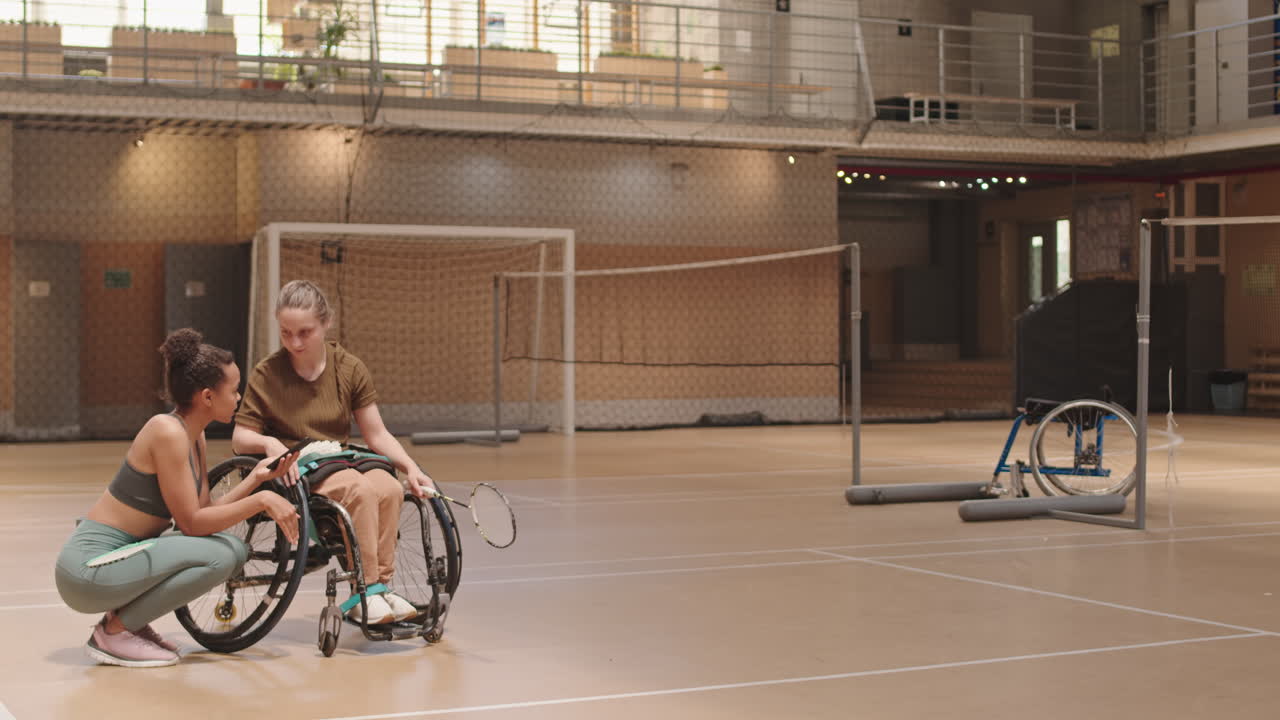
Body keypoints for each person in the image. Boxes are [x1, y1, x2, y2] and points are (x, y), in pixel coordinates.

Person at [55, 329, 302, 668]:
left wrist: (258, 480)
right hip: (85, 572)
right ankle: (113, 633)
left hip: (115, 562)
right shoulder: (167, 431)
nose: (239, 397)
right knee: (225, 553)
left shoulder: (192, 435)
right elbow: (191, 525)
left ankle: (127, 626)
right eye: (233, 390)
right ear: (207, 397)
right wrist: (261, 503)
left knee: (229, 550)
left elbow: (203, 512)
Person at [232, 279, 436, 625]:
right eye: (286, 333)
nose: (294, 342)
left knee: (388, 486)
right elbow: (240, 437)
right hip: (295, 466)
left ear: (326, 323)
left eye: (305, 332)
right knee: (357, 489)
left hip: (337, 457)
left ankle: (381, 589)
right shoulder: (267, 373)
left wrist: (411, 467)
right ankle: (366, 590)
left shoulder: (350, 368)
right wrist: (269, 443)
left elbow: (377, 434)